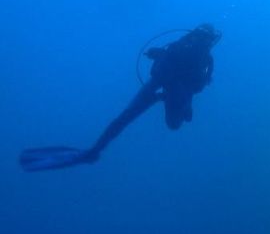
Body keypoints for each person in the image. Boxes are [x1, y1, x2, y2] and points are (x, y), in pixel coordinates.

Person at [19, 24, 221, 171]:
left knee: (124, 118)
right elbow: (198, 86)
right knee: (174, 124)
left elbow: (161, 57)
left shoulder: (180, 45)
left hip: (157, 88)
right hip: (170, 92)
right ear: (211, 41)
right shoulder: (204, 57)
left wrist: (156, 56)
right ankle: (93, 151)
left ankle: (94, 150)